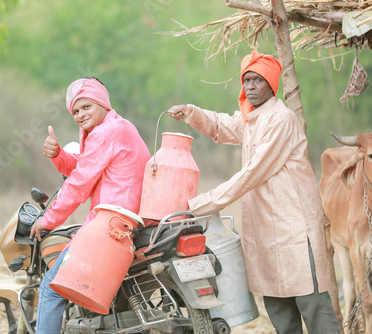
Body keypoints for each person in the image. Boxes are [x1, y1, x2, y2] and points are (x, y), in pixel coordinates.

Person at [167, 51, 341, 334]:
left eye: (258, 80)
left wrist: (198, 205)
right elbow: (222, 125)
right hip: (265, 231)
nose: (250, 86)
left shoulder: (280, 119)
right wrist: (191, 112)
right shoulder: (253, 120)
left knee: (313, 305)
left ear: (272, 85)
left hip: (295, 230)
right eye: (246, 80)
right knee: (279, 309)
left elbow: (251, 174)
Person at [30, 77, 151, 334]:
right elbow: (86, 167)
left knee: (50, 290)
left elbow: (78, 185)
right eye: (75, 110)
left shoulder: (105, 133)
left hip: (110, 225)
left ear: (102, 103)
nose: (80, 114)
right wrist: (58, 155)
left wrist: (48, 220)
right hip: (126, 220)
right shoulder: (118, 127)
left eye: (87, 107)